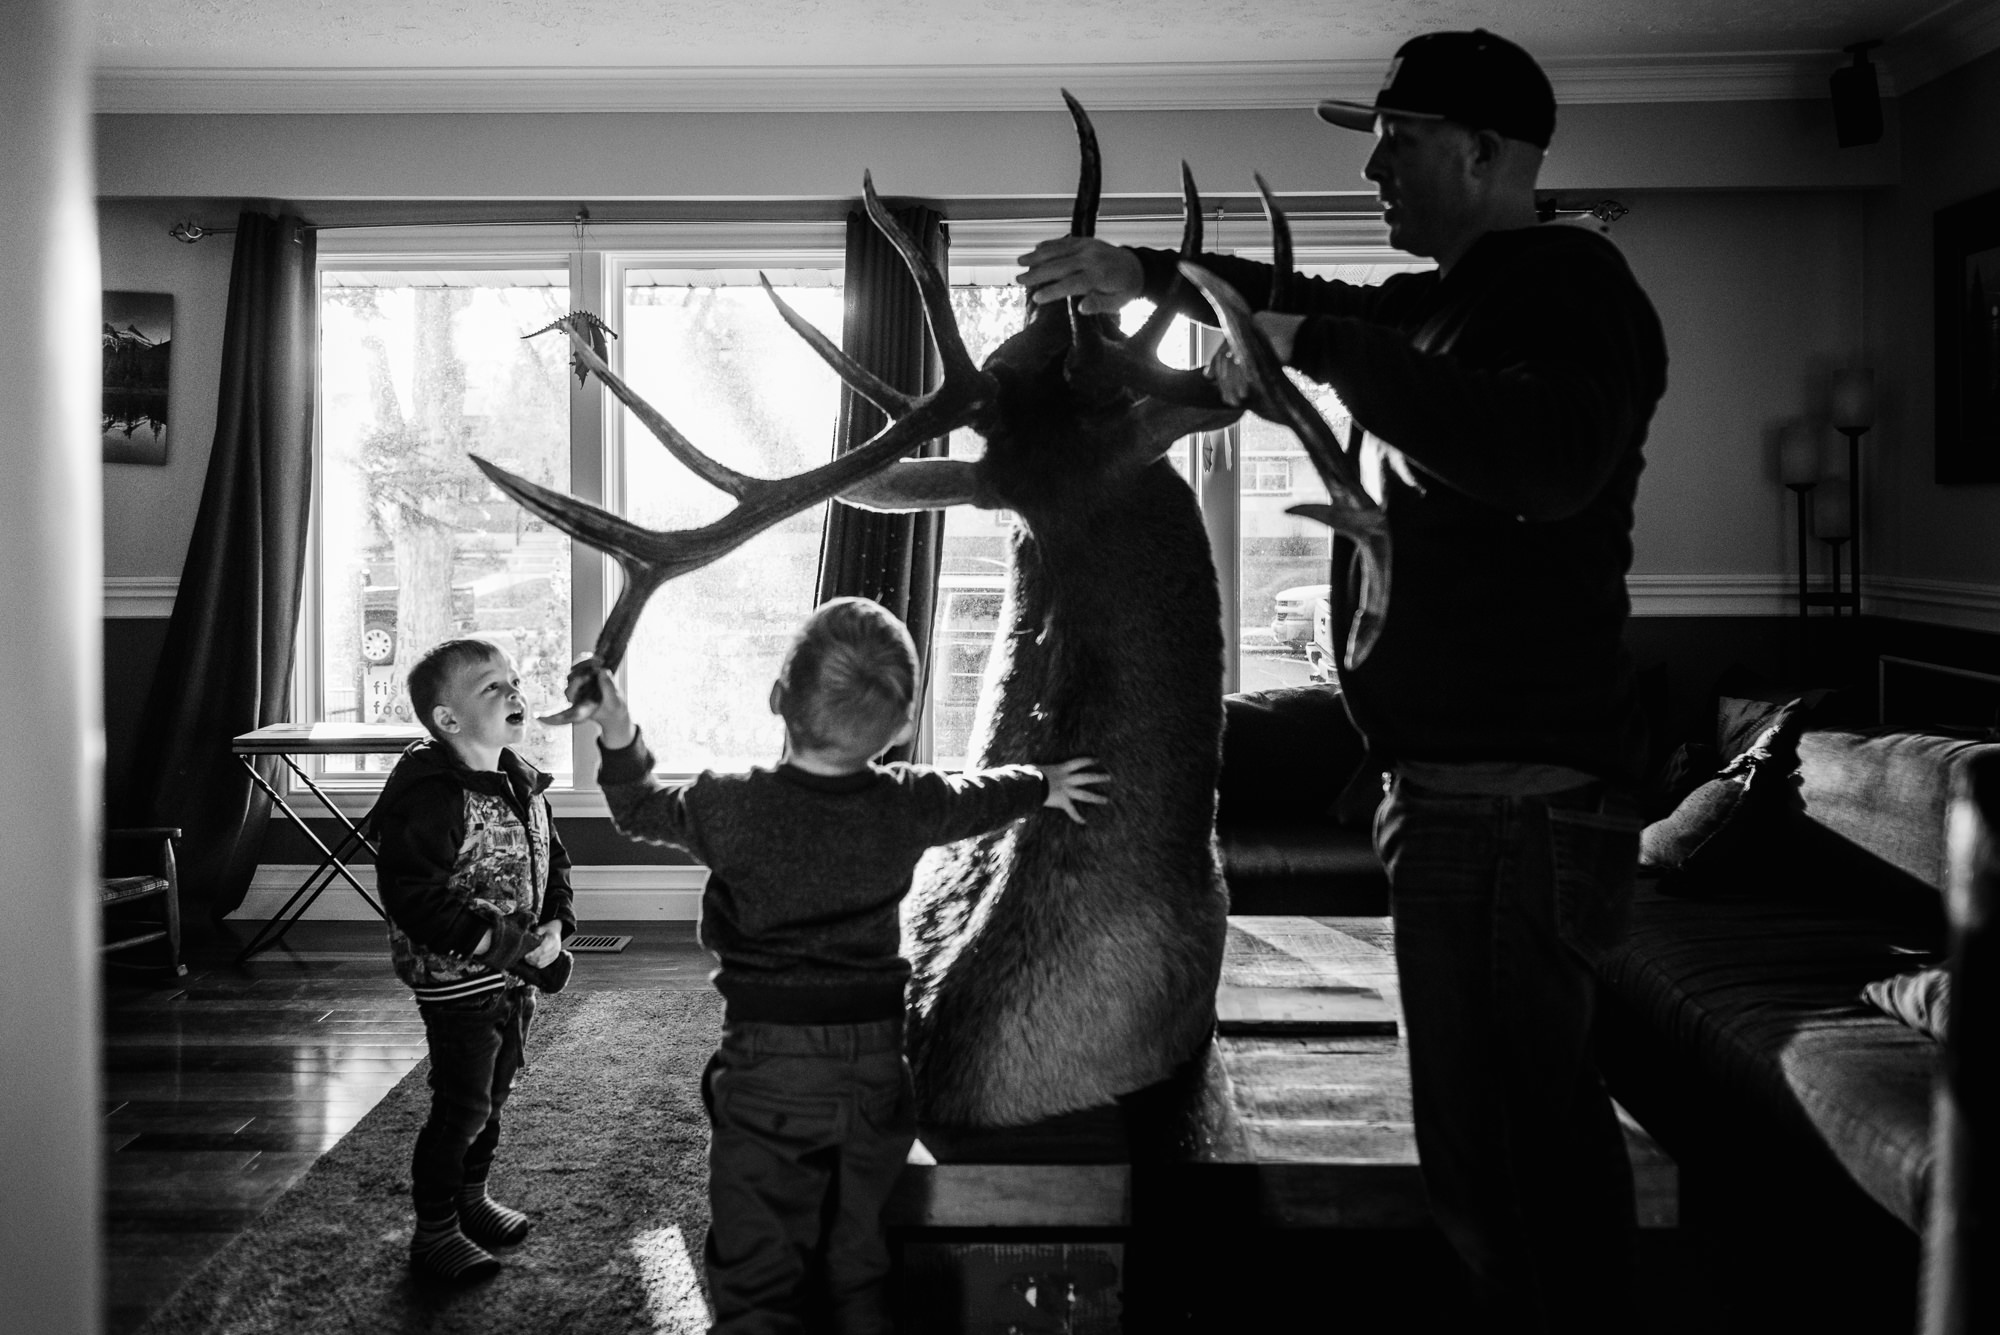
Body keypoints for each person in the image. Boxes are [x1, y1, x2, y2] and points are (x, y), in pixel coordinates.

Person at [1019, 28, 1669, 1334]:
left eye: (1399, 138)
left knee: (1522, 1156)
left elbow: (1544, 459)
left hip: (1518, 813)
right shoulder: (1448, 299)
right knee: (1482, 1159)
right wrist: (1141, 270)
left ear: (1487, 152)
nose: (1372, 165)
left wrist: (1310, 335)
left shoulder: (1574, 284)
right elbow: (1298, 291)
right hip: (1454, 804)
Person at [570, 596, 1108, 1335]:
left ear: (776, 698)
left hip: (767, 1065)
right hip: (873, 1065)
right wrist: (1044, 783)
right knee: (860, 1256)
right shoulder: (909, 802)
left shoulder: (728, 805)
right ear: (901, 729)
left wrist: (617, 728)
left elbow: (635, 807)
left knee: (756, 1263)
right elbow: (978, 797)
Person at [373, 637, 577, 1282]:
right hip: (457, 981)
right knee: (462, 1104)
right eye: (493, 686)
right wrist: (494, 943)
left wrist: (557, 923)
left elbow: (556, 861)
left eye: (514, 680)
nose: (514, 692)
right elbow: (412, 896)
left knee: (494, 1094)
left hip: (514, 977)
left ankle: (471, 1197)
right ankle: (434, 1232)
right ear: (447, 720)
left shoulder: (521, 780)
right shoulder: (431, 795)